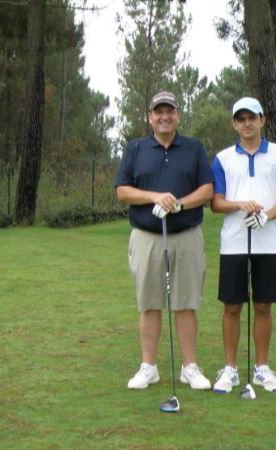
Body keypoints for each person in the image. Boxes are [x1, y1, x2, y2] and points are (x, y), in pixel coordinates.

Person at [116, 91, 214, 391]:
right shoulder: (136, 149)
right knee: (149, 303)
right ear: (150, 117)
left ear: (177, 115)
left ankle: (189, 367)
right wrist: (155, 197)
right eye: (158, 112)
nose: (164, 116)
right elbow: (123, 191)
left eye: (169, 111)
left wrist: (179, 203)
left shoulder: (194, 148)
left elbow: (207, 190)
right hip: (146, 236)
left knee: (186, 302)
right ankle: (149, 367)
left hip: (186, 236)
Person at [210, 97, 276, 393]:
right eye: (241, 118)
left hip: (270, 242)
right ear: (235, 124)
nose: (247, 123)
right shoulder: (223, 159)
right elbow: (216, 203)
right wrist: (240, 205)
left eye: (252, 117)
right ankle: (230, 369)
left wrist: (266, 215)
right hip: (234, 243)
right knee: (232, 305)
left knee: (263, 305)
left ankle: (262, 368)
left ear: (262, 120)